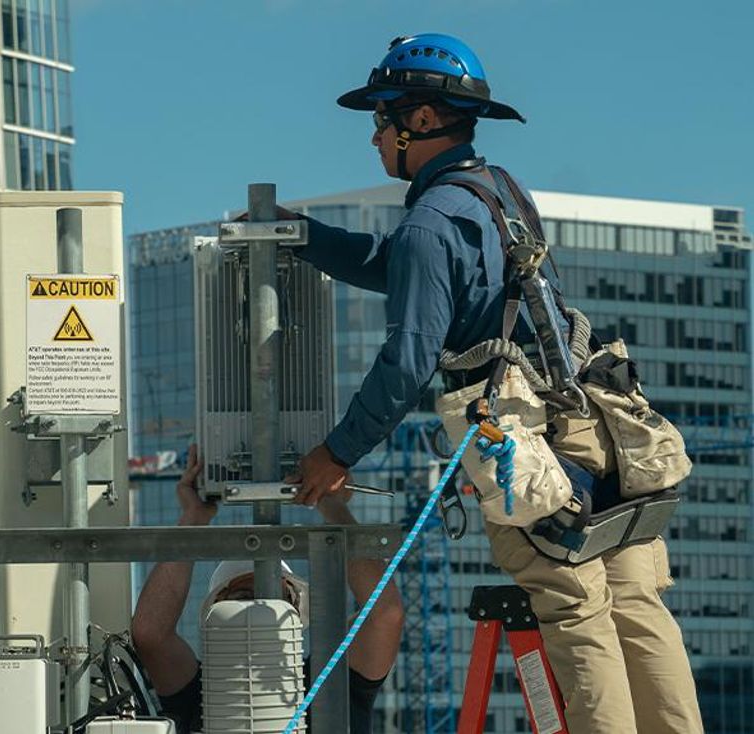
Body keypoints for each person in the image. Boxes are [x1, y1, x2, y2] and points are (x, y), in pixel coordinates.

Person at [282, 33, 704, 734]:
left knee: (575, 608)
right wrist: (307, 237)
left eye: (381, 120)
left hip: (528, 446)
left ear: (420, 121)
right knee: (636, 606)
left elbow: (410, 356)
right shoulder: (497, 189)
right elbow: (409, 268)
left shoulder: (428, 222)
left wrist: (337, 455)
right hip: (594, 420)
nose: (375, 138)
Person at [130, 445, 403, 734]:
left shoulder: (333, 684)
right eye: (242, 598)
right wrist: (192, 519)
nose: (258, 607)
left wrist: (330, 505)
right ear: (215, 614)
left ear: (296, 614)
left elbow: (384, 614)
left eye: (276, 597)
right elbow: (151, 633)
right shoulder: (198, 693)